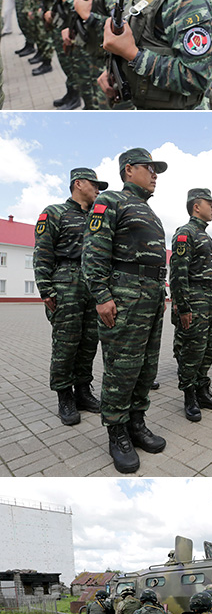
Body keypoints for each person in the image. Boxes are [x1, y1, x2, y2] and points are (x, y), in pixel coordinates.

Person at [81, 147, 167, 474]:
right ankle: (116, 432)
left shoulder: (148, 210)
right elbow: (94, 252)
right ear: (129, 169)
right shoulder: (111, 201)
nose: (155, 174)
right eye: (150, 168)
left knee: (146, 366)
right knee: (122, 366)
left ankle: (136, 423)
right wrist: (101, 295)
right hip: (126, 295)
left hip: (152, 294)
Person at [33, 166, 107, 425]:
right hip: (66, 282)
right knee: (66, 343)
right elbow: (42, 252)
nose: (98, 190)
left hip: (92, 284)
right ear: (78, 184)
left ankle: (83, 391)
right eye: (95, 184)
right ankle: (64, 395)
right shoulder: (54, 212)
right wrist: (46, 289)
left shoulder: (97, 217)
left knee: (89, 342)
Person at [170, 187, 212, 422]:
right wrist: (183, 307)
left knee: (207, 351)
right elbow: (178, 273)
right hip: (195, 302)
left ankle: (203, 391)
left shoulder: (207, 236)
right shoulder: (185, 233)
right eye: (209, 204)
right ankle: (189, 396)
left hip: (210, 302)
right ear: (196, 206)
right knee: (191, 351)